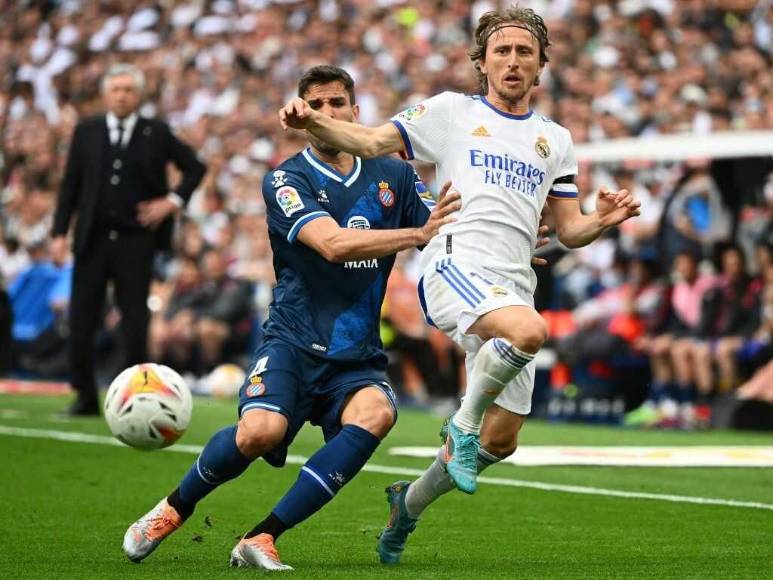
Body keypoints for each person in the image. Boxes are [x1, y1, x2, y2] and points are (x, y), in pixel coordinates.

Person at [278, 6, 640, 563]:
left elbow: (568, 232)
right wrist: (315, 124)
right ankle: (461, 423)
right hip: (455, 266)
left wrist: (601, 220)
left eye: (525, 52)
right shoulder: (450, 112)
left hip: (514, 281)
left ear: (541, 65)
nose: (513, 60)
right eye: (502, 51)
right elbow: (374, 141)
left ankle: (409, 505)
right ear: (483, 61)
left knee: (502, 441)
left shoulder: (555, 140)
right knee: (528, 333)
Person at [121, 65, 461, 571]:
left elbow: (450, 223)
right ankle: (173, 508)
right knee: (259, 432)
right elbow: (332, 244)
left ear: (355, 113)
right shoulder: (285, 179)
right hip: (293, 343)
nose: (327, 114)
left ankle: (263, 535)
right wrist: (416, 235)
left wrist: (515, 243)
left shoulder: (394, 174)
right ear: (305, 116)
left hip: (356, 355)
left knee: (377, 413)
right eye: (316, 106)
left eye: (337, 104)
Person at [51, 63, 206, 416]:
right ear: (106, 94)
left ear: (139, 95)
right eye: (116, 88)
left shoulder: (158, 132)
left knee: (135, 321)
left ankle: (136, 398)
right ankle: (85, 396)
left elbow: (196, 167)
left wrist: (172, 202)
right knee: (81, 319)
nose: (122, 95)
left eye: (128, 89)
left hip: (137, 242)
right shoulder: (86, 131)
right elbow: (70, 186)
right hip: (91, 239)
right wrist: (59, 233)